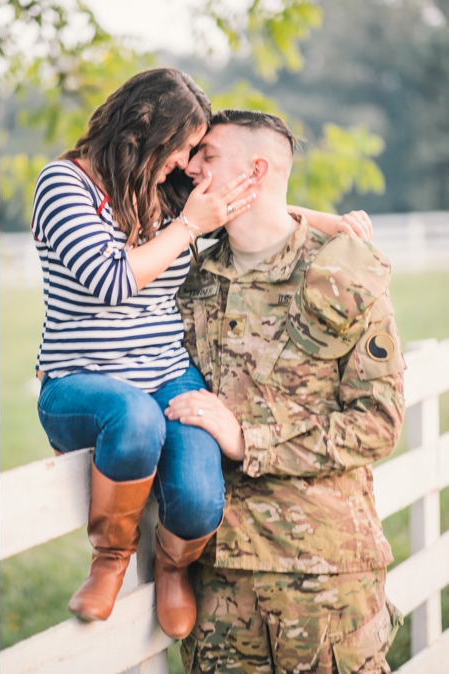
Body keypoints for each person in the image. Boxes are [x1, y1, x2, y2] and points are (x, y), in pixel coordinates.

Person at [31, 67, 360, 636]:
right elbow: (109, 280)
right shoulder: (64, 185)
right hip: (80, 383)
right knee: (133, 419)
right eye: (184, 147)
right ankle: (109, 560)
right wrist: (187, 227)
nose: (187, 163)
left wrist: (336, 224)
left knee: (200, 496)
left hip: (167, 375)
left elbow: (245, 206)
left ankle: (173, 564)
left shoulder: (164, 190)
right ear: (145, 131)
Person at [167, 109, 404, 672]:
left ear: (256, 169)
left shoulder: (344, 276)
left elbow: (377, 424)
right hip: (220, 586)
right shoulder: (189, 280)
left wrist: (248, 439)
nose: (190, 167)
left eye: (208, 155)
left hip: (327, 581)